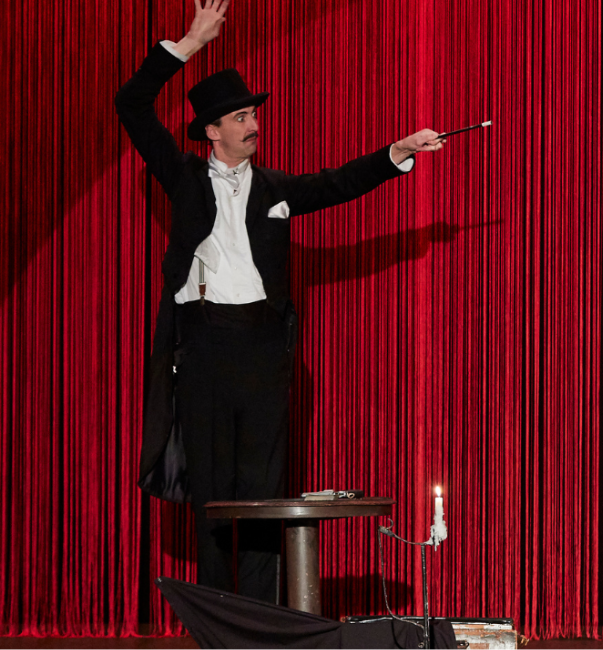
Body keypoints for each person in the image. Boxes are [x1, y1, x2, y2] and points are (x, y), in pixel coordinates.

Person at [115, 0, 444, 601]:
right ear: (212, 131)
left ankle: (263, 619)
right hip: (204, 344)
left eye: (252, 115)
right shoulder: (183, 177)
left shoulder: (276, 188)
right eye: (239, 117)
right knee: (214, 494)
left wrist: (396, 152)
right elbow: (130, 105)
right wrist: (188, 42)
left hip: (264, 350)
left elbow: (339, 182)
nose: (252, 124)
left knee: (263, 492)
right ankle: (223, 621)